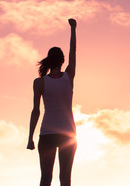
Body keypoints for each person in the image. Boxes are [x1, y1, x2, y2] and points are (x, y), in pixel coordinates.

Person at [27, 18, 77, 186]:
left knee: (46, 178)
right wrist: (73, 29)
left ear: (48, 60)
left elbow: (36, 111)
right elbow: (73, 52)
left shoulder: (39, 82)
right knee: (65, 179)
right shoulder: (69, 76)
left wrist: (30, 137)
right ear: (62, 60)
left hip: (47, 133)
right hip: (68, 134)